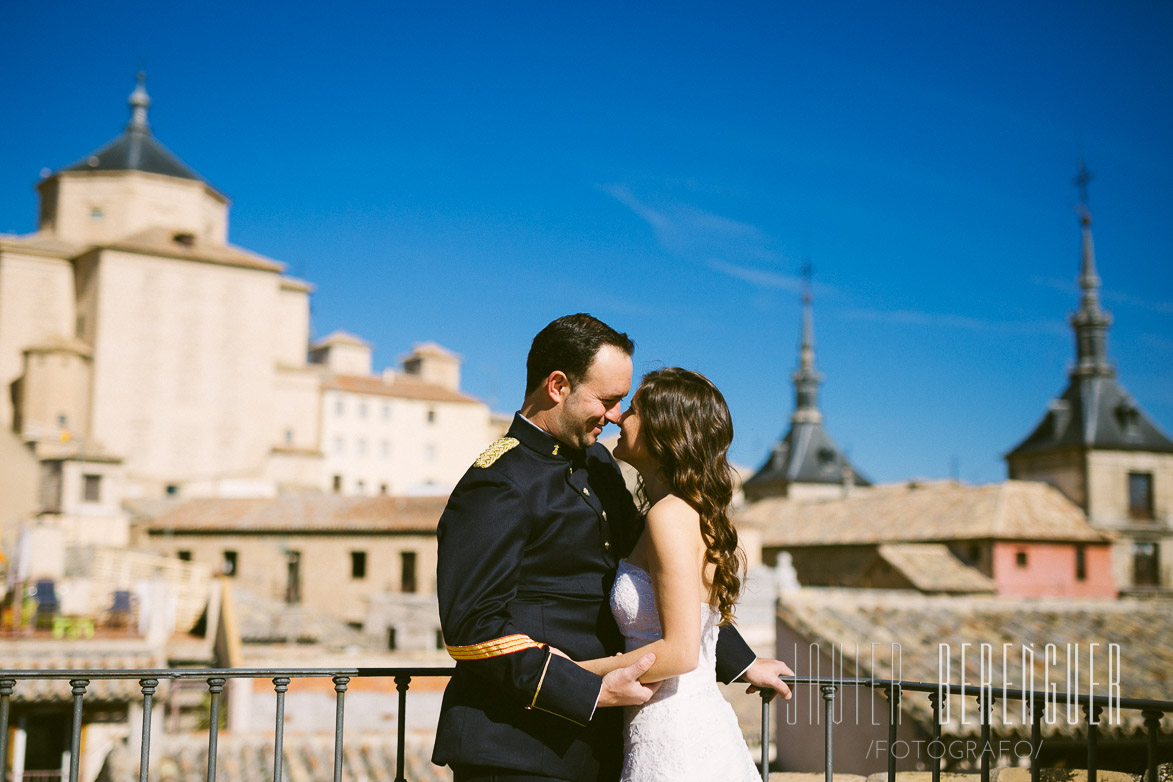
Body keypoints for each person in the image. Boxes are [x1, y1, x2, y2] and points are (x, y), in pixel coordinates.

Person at [433, 314, 792, 782]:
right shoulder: (498, 480)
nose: (616, 414)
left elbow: (661, 579)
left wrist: (740, 662)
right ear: (558, 385)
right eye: (607, 400)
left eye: (623, 402)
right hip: (519, 747)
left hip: (602, 744)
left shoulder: (599, 464)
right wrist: (587, 689)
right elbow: (472, 628)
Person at [572, 367, 762, 781]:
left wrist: (573, 673)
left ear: (665, 431)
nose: (620, 416)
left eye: (635, 409)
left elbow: (680, 652)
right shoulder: (682, 513)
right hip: (681, 725)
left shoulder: (669, 516)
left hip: (675, 739)